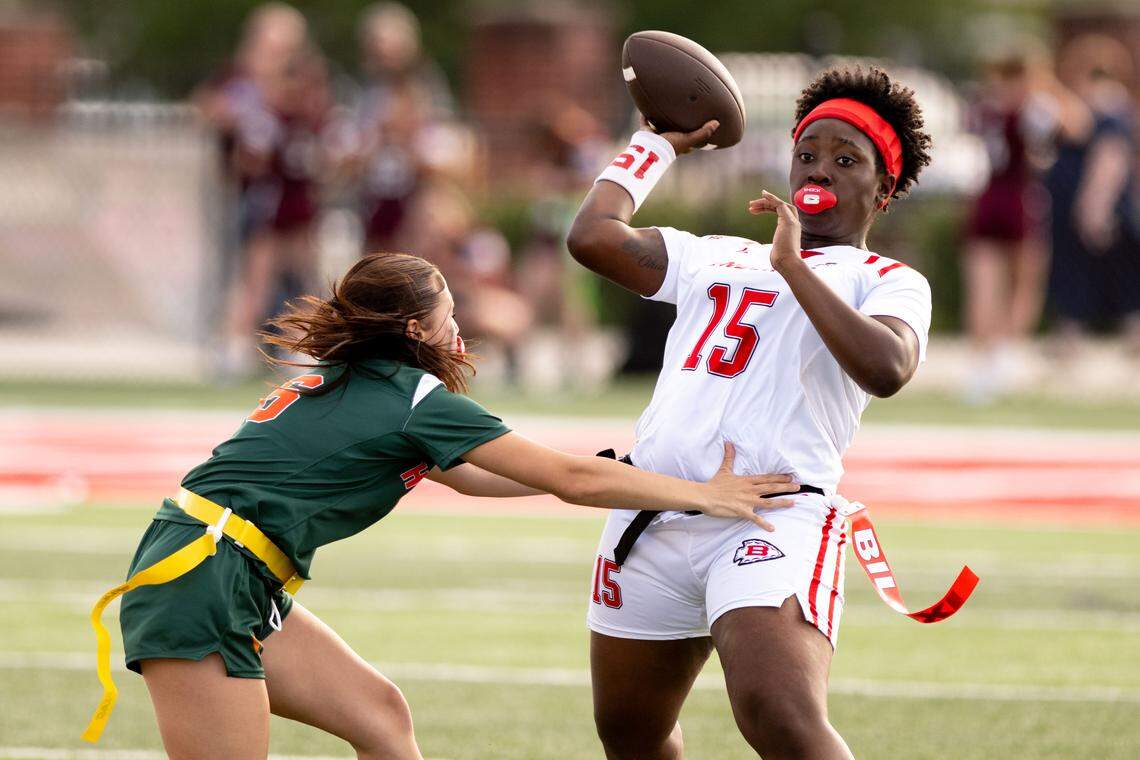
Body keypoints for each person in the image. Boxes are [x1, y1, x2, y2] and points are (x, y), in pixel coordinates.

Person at [82, 252, 800, 759]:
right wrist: (703, 495)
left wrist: (634, 466)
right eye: (449, 314)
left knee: (382, 719)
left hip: (225, 568)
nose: (462, 327)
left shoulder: (363, 381)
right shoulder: (411, 397)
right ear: (416, 331)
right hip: (205, 575)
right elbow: (568, 479)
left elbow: (482, 478)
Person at [567, 66, 934, 759]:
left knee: (778, 714)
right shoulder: (717, 254)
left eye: (845, 158)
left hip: (772, 515)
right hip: (656, 507)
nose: (818, 168)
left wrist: (795, 266)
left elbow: (887, 368)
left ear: (882, 189)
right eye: (807, 153)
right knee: (630, 731)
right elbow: (593, 237)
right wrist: (655, 145)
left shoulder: (886, 278)